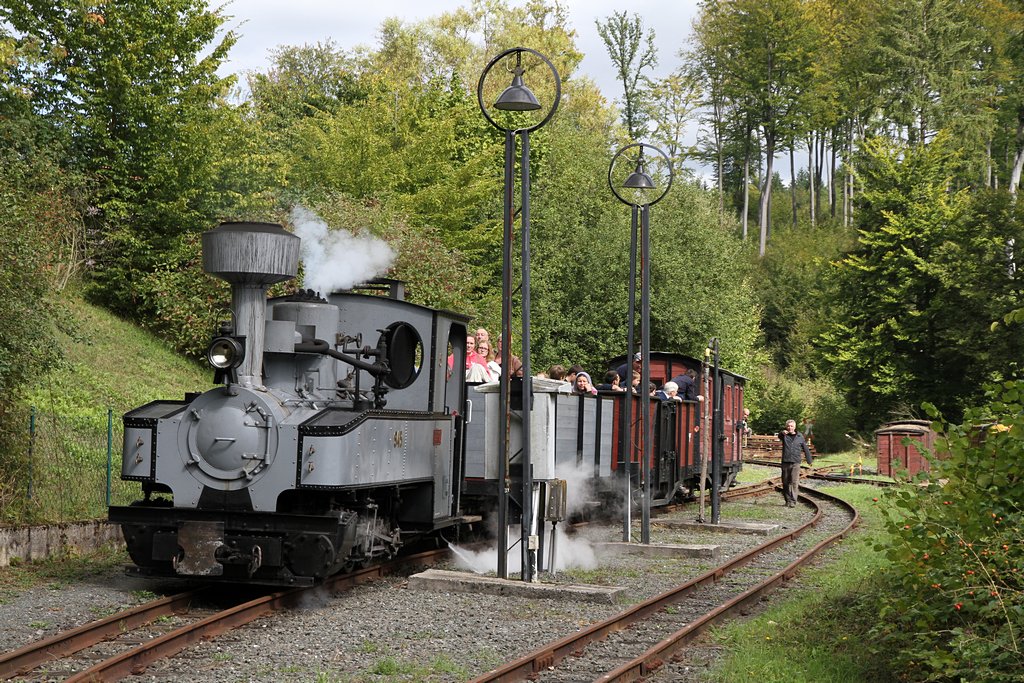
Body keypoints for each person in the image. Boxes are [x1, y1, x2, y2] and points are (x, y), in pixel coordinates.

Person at [778, 419, 813, 507]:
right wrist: (782, 432)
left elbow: (805, 448)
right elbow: (779, 435)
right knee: (785, 482)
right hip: (785, 462)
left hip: (796, 462)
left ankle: (793, 501)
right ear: (786, 427)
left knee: (794, 482)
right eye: (788, 426)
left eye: (791, 426)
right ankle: (787, 500)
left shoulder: (800, 436)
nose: (790, 428)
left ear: (795, 427)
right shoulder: (784, 435)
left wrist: (809, 460)